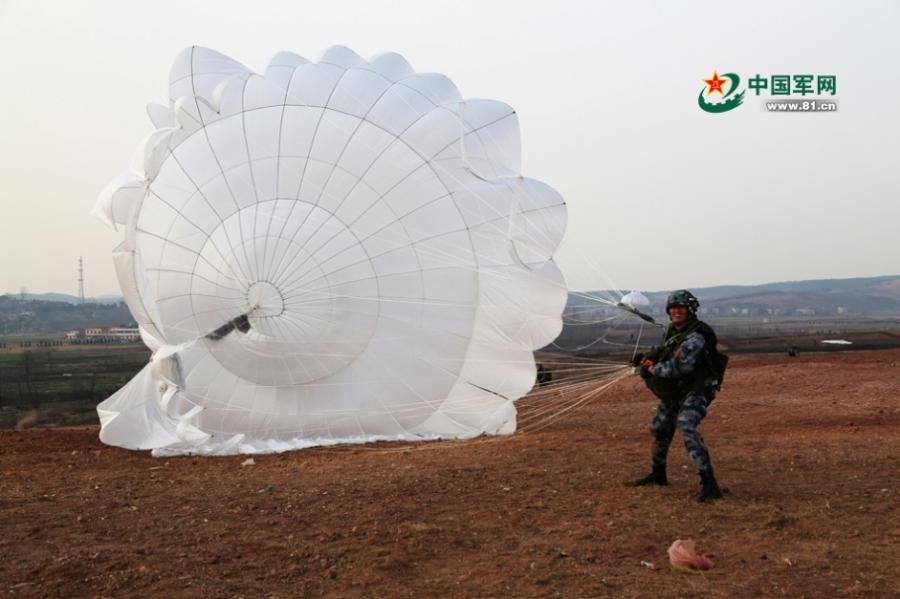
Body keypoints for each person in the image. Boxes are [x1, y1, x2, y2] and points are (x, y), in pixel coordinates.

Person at [629, 290, 726, 502]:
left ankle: (710, 484)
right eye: (672, 308)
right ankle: (658, 474)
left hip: (697, 390)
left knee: (686, 424)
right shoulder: (674, 331)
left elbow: (677, 368)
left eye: (681, 307)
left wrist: (650, 369)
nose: (676, 312)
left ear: (690, 309)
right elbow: (664, 350)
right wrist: (645, 358)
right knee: (660, 427)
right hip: (678, 389)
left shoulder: (696, 337)